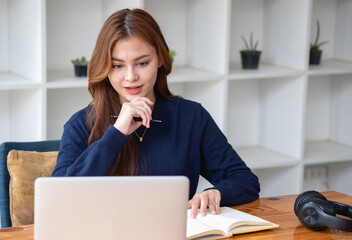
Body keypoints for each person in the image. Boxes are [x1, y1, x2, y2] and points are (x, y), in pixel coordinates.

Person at [51, 8, 260, 219]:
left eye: (142, 63)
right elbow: (58, 198)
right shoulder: (80, 124)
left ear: (160, 59)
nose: (131, 77)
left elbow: (245, 180)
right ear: (105, 68)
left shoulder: (191, 116)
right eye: (117, 66)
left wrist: (216, 193)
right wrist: (116, 134)